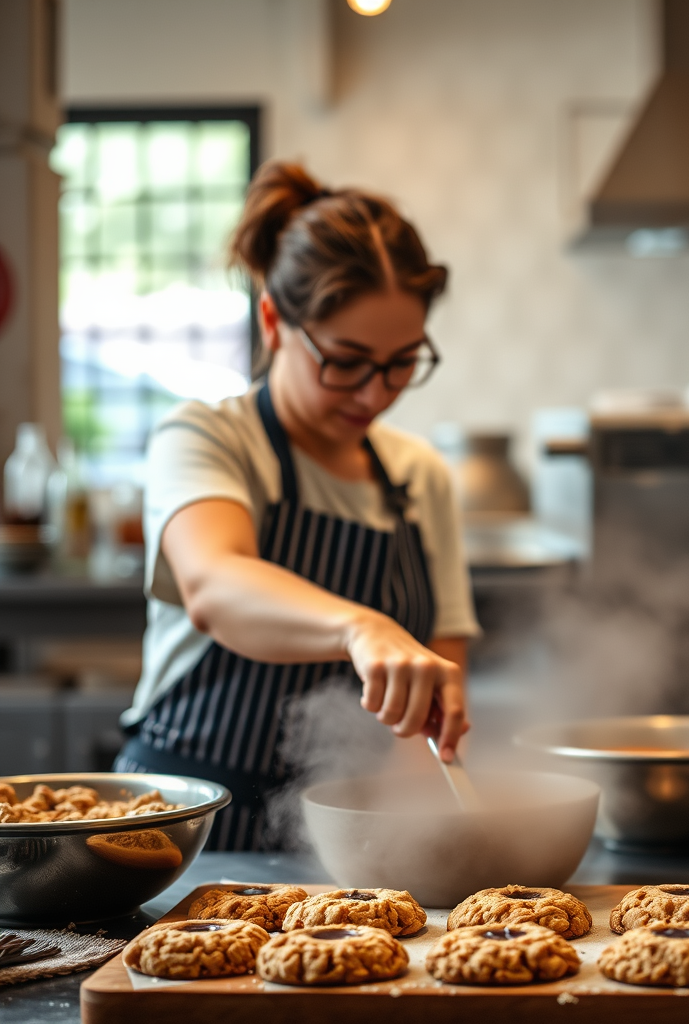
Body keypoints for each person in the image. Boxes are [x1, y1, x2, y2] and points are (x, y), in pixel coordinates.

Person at [115, 161, 479, 850]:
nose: (374, 394)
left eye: (403, 362)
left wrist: (422, 839)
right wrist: (359, 628)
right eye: (345, 360)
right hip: (177, 842)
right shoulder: (208, 437)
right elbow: (214, 584)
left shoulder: (418, 476)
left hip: (343, 846)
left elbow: (431, 704)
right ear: (275, 322)